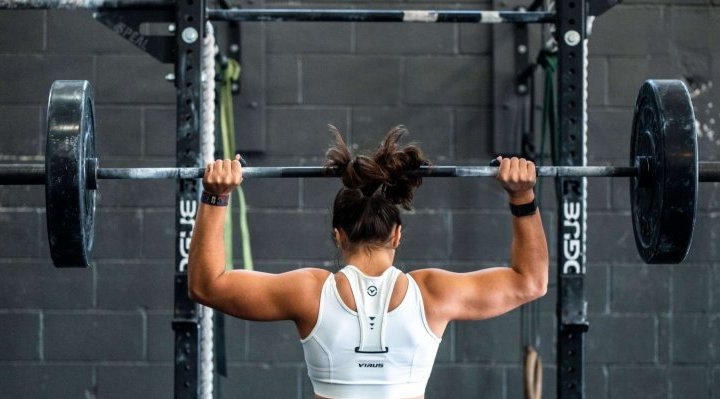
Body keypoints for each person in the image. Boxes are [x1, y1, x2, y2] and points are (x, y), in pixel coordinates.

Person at [188, 126, 548, 399]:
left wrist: (215, 197)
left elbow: (207, 285)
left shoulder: (309, 292)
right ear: (397, 235)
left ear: (337, 235)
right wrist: (522, 196)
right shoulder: (433, 293)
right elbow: (530, 281)